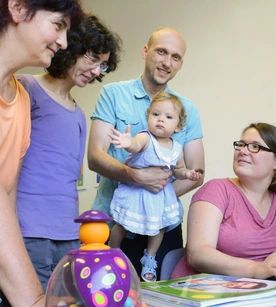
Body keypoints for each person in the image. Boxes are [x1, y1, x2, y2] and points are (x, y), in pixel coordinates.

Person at [88, 27, 205, 280]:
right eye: (161, 52)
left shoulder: (188, 109)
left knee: (163, 299)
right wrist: (136, 179)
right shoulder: (114, 94)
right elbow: (95, 156)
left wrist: (155, 202)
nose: (166, 62)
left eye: (175, 57)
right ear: (145, 52)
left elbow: (196, 170)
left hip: (163, 227)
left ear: (181, 64)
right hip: (115, 219)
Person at [16, 14, 122, 291]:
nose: (97, 71)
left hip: (69, 236)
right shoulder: (26, 88)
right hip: (27, 233)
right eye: (92, 58)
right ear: (70, 46)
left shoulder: (79, 113)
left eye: (103, 65)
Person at [0, 0, 83, 305]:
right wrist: (34, 299)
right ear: (18, 8)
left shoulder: (22, 100)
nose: (63, 42)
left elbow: (7, 195)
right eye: (58, 25)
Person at [172, 123, 276, 281]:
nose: (243, 151)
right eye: (241, 145)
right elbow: (198, 254)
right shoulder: (216, 190)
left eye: (255, 147)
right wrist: (257, 268)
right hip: (203, 293)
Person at [108, 91, 203, 282]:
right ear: (148, 117)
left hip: (159, 195)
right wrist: (128, 142)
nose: (160, 120)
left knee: (159, 227)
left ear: (178, 127)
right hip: (137, 192)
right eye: (155, 114)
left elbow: (178, 170)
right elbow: (135, 145)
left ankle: (149, 257)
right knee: (124, 224)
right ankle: (113, 249)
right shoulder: (145, 137)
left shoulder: (176, 148)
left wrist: (188, 174)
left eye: (168, 117)